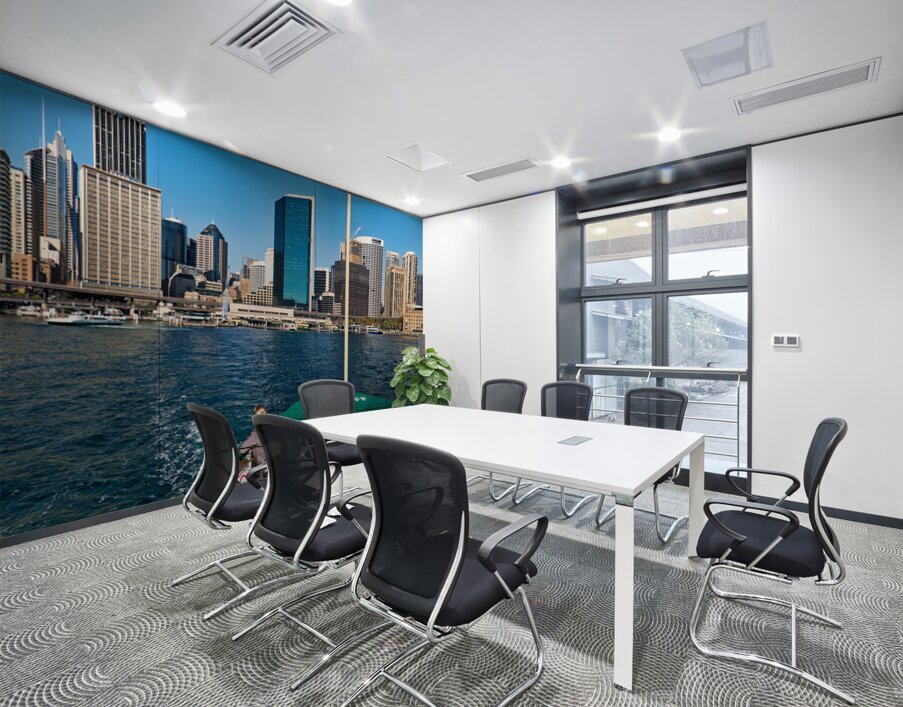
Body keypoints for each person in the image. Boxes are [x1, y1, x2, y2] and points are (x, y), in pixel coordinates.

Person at [238, 404, 268, 486]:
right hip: (272, 464)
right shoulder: (272, 429)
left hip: (263, 469)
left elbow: (241, 450)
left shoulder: (256, 434)